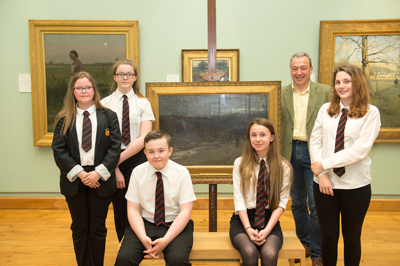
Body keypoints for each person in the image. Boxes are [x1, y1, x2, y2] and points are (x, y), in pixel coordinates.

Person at [310, 64, 381, 266]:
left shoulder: (371, 113)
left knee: (351, 239)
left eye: (346, 81)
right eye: (338, 82)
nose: (341, 86)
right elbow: (315, 142)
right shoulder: (326, 110)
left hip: (355, 186)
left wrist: (324, 163)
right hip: (324, 184)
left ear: (356, 83)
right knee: (329, 238)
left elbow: (359, 150)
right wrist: (322, 173)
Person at [52, 71, 121, 266]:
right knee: (80, 227)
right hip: (75, 178)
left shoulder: (109, 116)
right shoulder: (63, 118)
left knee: (98, 227)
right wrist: (82, 174)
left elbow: (114, 148)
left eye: (88, 87)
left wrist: (98, 173)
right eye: (79, 88)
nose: (84, 91)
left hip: (101, 178)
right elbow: (59, 151)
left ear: (94, 90)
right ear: (73, 91)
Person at [115, 130, 196, 266]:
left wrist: (165, 241)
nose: (156, 156)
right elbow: (133, 210)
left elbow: (185, 211)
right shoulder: (137, 172)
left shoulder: (182, 173)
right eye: (151, 152)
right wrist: (142, 237)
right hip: (145, 223)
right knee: (124, 258)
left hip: (175, 223)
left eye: (161, 151)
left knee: (177, 260)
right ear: (145, 153)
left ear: (170, 151)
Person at [281, 52, 331, 266]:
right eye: (295, 68)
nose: (299, 72)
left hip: (315, 154)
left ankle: (318, 252)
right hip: (289, 153)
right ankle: (304, 245)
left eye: (303, 68)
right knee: (298, 203)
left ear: (311, 69)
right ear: (290, 70)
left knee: (317, 204)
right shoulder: (280, 93)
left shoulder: (326, 92)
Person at [101, 58, 155, 242]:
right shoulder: (104, 104)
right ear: (115, 77)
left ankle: (139, 243)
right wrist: (114, 167)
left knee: (139, 205)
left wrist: (118, 160)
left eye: (129, 74)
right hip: (111, 158)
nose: (125, 77)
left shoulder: (143, 104)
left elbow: (143, 138)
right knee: (119, 207)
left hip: (137, 158)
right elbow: (102, 140)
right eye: (121, 74)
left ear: (135, 78)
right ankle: (123, 245)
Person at [229, 118, 293, 266]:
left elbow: (281, 204)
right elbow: (239, 200)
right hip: (242, 220)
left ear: (271, 137)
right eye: (253, 135)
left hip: (269, 219)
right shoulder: (240, 163)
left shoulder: (284, 167)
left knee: (269, 254)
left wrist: (267, 230)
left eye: (262, 135)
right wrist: (248, 228)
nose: (257, 139)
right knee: (249, 252)